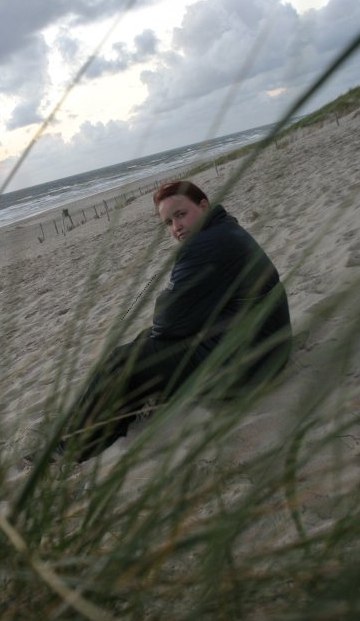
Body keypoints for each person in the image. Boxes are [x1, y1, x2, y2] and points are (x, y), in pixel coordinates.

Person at [54, 180, 292, 463]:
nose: (176, 227)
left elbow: (167, 322)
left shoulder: (207, 245)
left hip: (247, 366)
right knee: (145, 340)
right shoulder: (224, 228)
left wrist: (168, 295)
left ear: (203, 205)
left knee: (122, 360)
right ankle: (113, 416)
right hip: (267, 345)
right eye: (168, 222)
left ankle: (72, 449)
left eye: (181, 215)